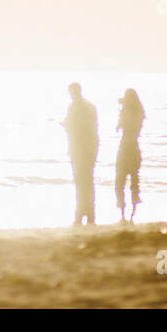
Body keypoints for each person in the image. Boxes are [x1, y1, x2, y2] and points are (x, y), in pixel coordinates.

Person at [64, 83, 99, 226]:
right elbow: (93, 128)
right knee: (88, 182)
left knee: (80, 182)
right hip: (90, 147)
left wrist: (66, 125)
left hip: (79, 148)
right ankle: (90, 216)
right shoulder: (90, 106)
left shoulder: (73, 107)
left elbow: (72, 127)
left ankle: (80, 216)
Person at [114, 89, 145, 222]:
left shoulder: (129, 113)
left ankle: (124, 213)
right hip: (134, 148)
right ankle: (131, 213)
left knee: (120, 181)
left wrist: (122, 109)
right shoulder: (138, 113)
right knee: (133, 181)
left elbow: (119, 127)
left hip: (126, 148)